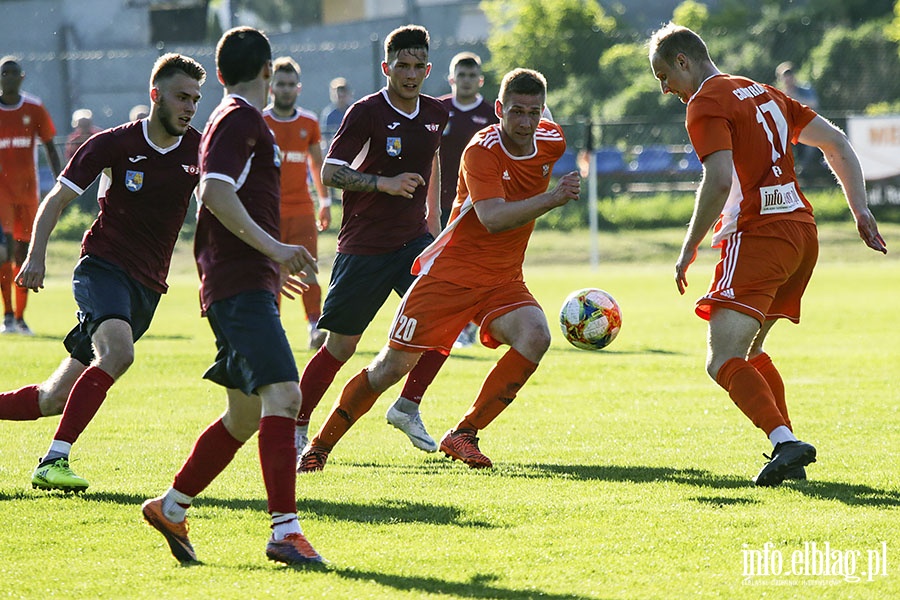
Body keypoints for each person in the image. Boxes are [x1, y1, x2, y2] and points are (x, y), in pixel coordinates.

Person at [301, 67, 578, 470]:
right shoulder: (481, 151)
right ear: (499, 109)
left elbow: (546, 121)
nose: (526, 122)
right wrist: (553, 199)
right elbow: (493, 218)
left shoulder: (551, 140)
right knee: (389, 369)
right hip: (449, 275)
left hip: (502, 279)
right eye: (516, 111)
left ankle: (463, 433)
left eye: (534, 112)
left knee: (535, 337)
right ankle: (320, 447)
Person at [648, 23, 887, 487]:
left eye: (664, 75)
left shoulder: (705, 102)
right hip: (802, 233)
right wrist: (859, 209)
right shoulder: (767, 93)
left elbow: (718, 181)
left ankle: (783, 442)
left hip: (757, 235)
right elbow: (837, 142)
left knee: (721, 359)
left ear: (683, 61)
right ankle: (789, 450)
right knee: (752, 350)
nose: (665, 89)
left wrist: (688, 245)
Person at [141, 27, 324, 567]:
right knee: (286, 398)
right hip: (236, 285)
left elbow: (228, 195)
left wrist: (269, 261)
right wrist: (274, 247)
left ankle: (171, 507)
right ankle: (284, 531)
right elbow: (214, 192)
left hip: (244, 281)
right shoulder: (242, 118)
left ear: (219, 74)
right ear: (267, 71)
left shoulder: (235, 117)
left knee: (245, 415)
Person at [0, 53, 206, 492]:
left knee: (53, 398)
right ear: (155, 95)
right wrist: (35, 256)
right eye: (181, 97)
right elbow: (55, 199)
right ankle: (53, 461)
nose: (190, 107)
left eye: (196, 98)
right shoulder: (112, 144)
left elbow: (218, 210)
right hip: (102, 269)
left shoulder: (199, 150)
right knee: (118, 354)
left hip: (148, 287)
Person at [295, 24, 449, 470]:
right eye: (402, 65)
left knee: (441, 322)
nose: (411, 73)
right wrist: (383, 183)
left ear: (428, 69)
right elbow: (330, 171)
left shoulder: (436, 113)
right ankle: (298, 424)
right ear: (387, 67)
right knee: (340, 347)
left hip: (413, 242)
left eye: (419, 66)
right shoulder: (365, 112)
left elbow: (432, 164)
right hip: (363, 246)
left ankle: (407, 406)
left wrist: (434, 227)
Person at [263, 56, 330, 350]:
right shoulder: (260, 121)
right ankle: (271, 325)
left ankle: (314, 325)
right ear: (270, 87)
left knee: (308, 269)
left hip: (302, 208)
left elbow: (317, 164)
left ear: (298, 88)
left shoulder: (309, 122)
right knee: (270, 269)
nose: (286, 90)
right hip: (268, 211)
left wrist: (325, 200)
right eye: (281, 84)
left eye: (291, 84)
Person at [438, 51, 499, 348]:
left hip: (479, 203)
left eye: (471, 75)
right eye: (460, 75)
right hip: (440, 202)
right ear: (451, 79)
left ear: (480, 80)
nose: (465, 80)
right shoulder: (437, 110)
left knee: (473, 267)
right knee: (443, 268)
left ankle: (470, 326)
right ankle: (447, 325)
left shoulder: (490, 115)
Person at [0, 56, 62, 336]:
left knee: (22, 254)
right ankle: (7, 314)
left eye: (14, 72)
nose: (10, 77)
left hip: (27, 194)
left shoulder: (34, 108)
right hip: (1, 194)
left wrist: (63, 182)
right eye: (5, 72)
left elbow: (50, 146)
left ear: (22, 77)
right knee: (3, 251)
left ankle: (20, 318)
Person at [318, 76, 352, 206]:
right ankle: (332, 195)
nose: (340, 97)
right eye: (337, 94)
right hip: (333, 146)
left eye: (343, 94)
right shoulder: (329, 114)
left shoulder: (353, 110)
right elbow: (325, 137)